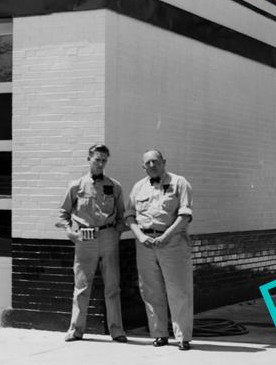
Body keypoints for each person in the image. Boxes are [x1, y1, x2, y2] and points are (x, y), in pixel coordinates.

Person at [123, 150, 195, 351]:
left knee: (178, 289)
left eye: (155, 161)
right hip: (145, 243)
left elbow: (184, 215)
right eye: (148, 163)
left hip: (172, 242)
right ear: (143, 167)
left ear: (164, 162)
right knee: (150, 290)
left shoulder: (180, 183)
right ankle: (159, 334)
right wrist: (140, 236)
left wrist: (166, 236)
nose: (152, 165)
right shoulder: (138, 187)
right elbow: (129, 215)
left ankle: (183, 337)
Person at [57, 144, 128, 343]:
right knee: (81, 286)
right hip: (85, 238)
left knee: (112, 286)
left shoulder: (115, 186)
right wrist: (69, 231)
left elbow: (121, 215)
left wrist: (117, 233)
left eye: (104, 160)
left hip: (108, 237)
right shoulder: (76, 185)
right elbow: (63, 213)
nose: (100, 163)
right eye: (97, 159)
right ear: (89, 159)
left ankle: (117, 330)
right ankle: (76, 330)